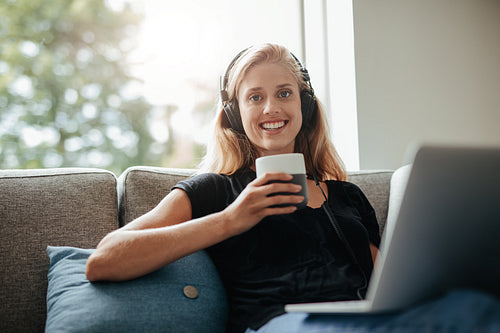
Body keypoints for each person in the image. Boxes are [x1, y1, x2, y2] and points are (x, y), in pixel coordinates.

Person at [86, 43, 499, 333]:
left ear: (304, 106)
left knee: (477, 307)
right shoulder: (215, 191)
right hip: (277, 324)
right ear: (233, 115)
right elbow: (104, 260)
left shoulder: (347, 197)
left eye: (284, 93)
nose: (271, 108)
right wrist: (231, 219)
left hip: (361, 320)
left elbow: (386, 282)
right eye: (254, 97)